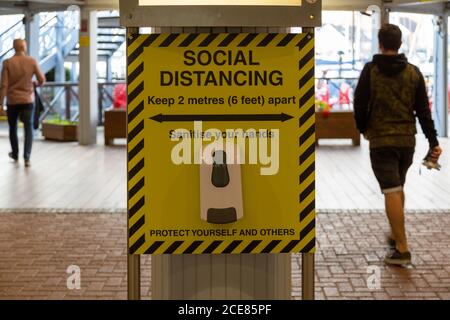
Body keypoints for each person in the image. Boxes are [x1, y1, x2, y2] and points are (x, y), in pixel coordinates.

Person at [354, 24, 442, 266]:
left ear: (380, 43)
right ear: (400, 44)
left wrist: (363, 128)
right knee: (398, 186)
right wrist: (433, 142)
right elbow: (423, 111)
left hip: (381, 140)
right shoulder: (413, 73)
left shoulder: (371, 71)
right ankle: (395, 234)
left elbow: (359, 103)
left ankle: (402, 249)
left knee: (391, 190)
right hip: (406, 142)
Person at [0, 39, 46, 167]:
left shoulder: (7, 63)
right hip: (27, 100)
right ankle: (27, 157)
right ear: (24, 47)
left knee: (12, 128)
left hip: (12, 100)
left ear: (14, 48)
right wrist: (34, 84)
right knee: (28, 128)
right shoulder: (31, 61)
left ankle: (15, 153)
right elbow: (42, 80)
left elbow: (4, 84)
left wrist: (0, 103)